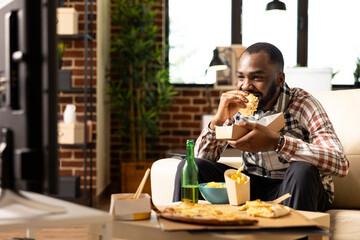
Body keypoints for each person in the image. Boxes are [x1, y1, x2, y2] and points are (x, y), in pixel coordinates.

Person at [173, 42, 349, 211]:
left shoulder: (302, 103)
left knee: (302, 170)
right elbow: (201, 158)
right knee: (188, 167)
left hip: (295, 186)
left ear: (279, 79)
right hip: (250, 186)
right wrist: (218, 120)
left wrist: (277, 143)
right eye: (241, 76)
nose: (246, 86)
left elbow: (340, 163)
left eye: (257, 77)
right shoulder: (237, 107)